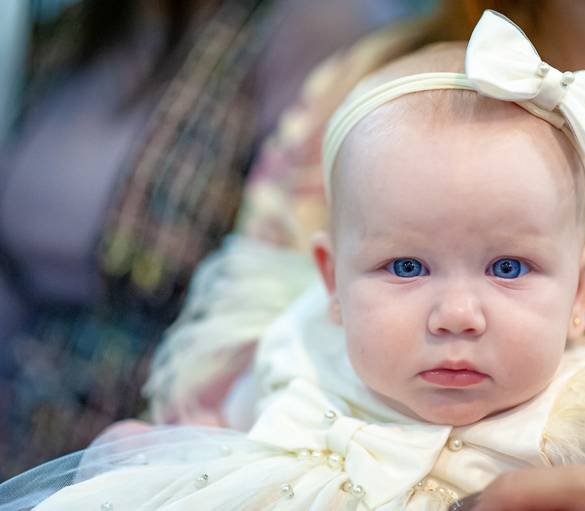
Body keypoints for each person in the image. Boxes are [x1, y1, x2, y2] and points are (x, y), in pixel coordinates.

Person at [0, 12, 585, 510]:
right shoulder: (297, 347)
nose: (457, 314)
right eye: (407, 268)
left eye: (509, 269)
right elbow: (203, 434)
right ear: (331, 281)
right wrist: (151, 455)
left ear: (583, 288)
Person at [0, 0, 420, 478]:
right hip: (17, 405)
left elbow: (284, 258)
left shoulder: (301, 27)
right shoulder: (66, 31)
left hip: (160, 419)